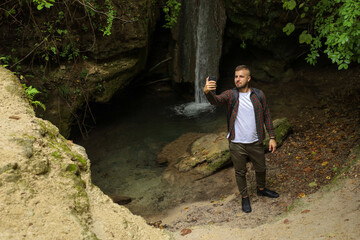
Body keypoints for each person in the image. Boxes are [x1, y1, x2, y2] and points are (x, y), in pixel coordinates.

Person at [203, 65, 279, 213]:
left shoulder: (259, 95)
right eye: (236, 76)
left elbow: (267, 115)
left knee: (261, 168)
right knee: (240, 172)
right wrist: (207, 92)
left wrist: (272, 137)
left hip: (256, 141)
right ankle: (245, 197)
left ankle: (261, 189)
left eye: (241, 76)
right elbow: (216, 100)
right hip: (237, 143)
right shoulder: (231, 95)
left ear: (248, 78)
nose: (237, 79)